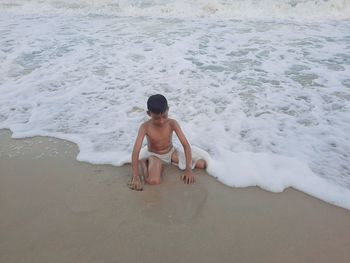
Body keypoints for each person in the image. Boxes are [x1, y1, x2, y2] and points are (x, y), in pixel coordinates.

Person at [128, 94, 206, 191]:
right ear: (149, 113)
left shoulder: (172, 123)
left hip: (170, 153)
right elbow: (136, 151)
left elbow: (186, 145)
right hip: (155, 156)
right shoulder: (145, 127)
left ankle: (164, 164)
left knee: (201, 164)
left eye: (164, 116)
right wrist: (135, 176)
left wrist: (188, 170)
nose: (161, 121)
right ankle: (145, 162)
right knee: (153, 181)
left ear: (168, 109)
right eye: (156, 118)